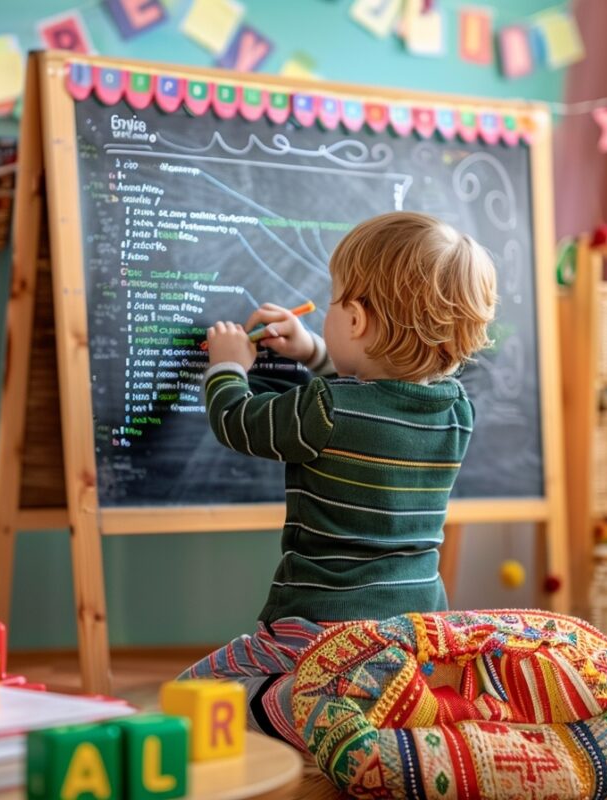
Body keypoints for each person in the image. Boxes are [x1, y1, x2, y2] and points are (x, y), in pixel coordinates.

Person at [180, 211, 498, 749]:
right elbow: (368, 402)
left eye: (332, 301)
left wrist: (228, 367)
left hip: (317, 626)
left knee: (193, 696)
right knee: (363, 673)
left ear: (354, 319)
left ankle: (302, 710)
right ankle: (378, 700)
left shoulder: (324, 409)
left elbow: (240, 424)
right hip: (410, 633)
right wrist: (310, 351)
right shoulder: (456, 412)